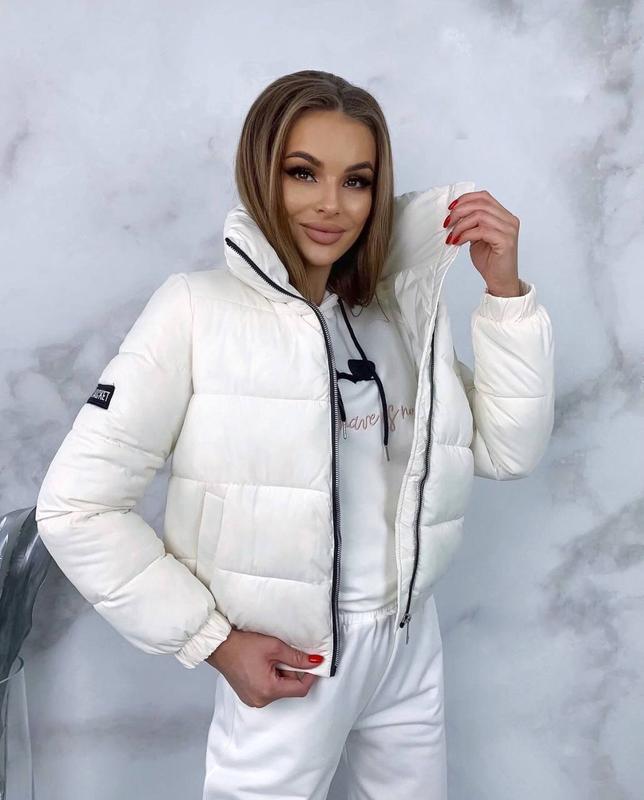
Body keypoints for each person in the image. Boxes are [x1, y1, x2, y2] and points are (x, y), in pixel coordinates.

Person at [35, 69, 555, 799]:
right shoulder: (195, 310)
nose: (331, 204)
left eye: (357, 181)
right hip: (293, 657)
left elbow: (506, 448)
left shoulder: (391, 317)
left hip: (407, 643)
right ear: (261, 172)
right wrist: (213, 641)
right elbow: (77, 506)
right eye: (303, 172)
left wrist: (504, 293)